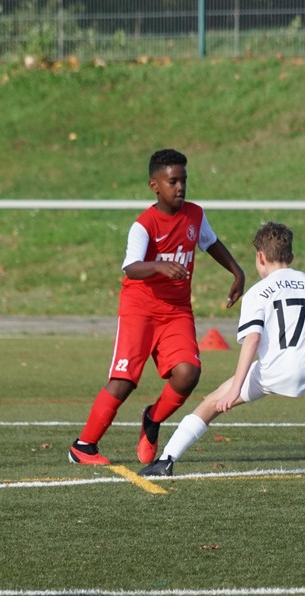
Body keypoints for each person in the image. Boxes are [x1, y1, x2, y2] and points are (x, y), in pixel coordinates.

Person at [139, 222, 305, 477]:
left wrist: (236, 388)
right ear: (291, 257)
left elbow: (252, 340)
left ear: (260, 257)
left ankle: (167, 460)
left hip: (275, 374)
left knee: (212, 402)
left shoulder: (257, 293)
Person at [69, 149, 246, 466]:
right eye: (172, 181)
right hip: (140, 309)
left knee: (188, 374)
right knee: (124, 381)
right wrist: (159, 266)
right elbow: (131, 268)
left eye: (183, 181)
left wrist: (237, 272)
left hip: (177, 311)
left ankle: (152, 419)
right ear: (154, 185)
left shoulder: (195, 215)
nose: (180, 187)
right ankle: (83, 446)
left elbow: (211, 243)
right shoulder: (144, 225)